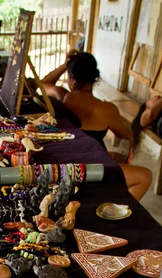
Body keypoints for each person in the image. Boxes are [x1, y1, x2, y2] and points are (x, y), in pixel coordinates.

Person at [41, 52, 152, 201]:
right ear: (94, 78)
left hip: (63, 167)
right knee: (145, 176)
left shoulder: (63, 97)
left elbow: (42, 84)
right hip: (93, 170)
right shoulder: (107, 109)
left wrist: (65, 65)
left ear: (72, 79)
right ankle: (113, 209)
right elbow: (126, 135)